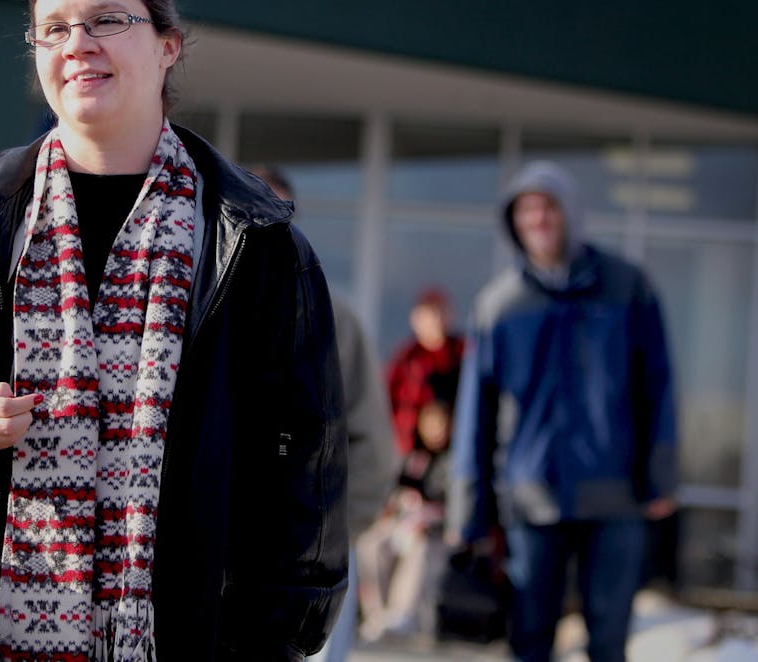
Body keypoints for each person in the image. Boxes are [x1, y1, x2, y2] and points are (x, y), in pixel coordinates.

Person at [0, 0, 348, 661]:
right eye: (55, 29)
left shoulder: (251, 240)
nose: (78, 44)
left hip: (187, 634)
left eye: (107, 21)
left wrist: (276, 639)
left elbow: (305, 468)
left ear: (167, 45)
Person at [447, 160, 678, 662]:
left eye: (548, 208)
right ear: (513, 224)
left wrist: (661, 475)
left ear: (571, 214)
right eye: (526, 212)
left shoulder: (627, 286)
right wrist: (467, 511)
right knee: (529, 639)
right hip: (532, 499)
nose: (538, 221)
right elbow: (476, 415)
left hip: (615, 496)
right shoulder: (499, 306)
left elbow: (657, 385)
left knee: (609, 640)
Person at [255, 165, 398, 661]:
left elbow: (373, 445)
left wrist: (334, 532)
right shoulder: (197, 311)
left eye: (276, 213)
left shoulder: (335, 317)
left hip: (314, 560)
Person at [357, 397, 453, 643]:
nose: (435, 431)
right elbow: (395, 493)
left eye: (440, 424)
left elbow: (451, 505)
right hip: (403, 524)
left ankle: (401, 613)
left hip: (433, 532)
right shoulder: (415, 459)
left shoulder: (452, 461)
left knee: (418, 549)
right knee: (371, 544)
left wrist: (427, 516)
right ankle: (376, 614)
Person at [384, 288, 465, 455]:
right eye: (429, 315)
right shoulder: (404, 360)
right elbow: (386, 404)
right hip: (411, 453)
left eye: (439, 313)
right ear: (415, 320)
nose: (435, 321)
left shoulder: (463, 355)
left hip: (454, 453)